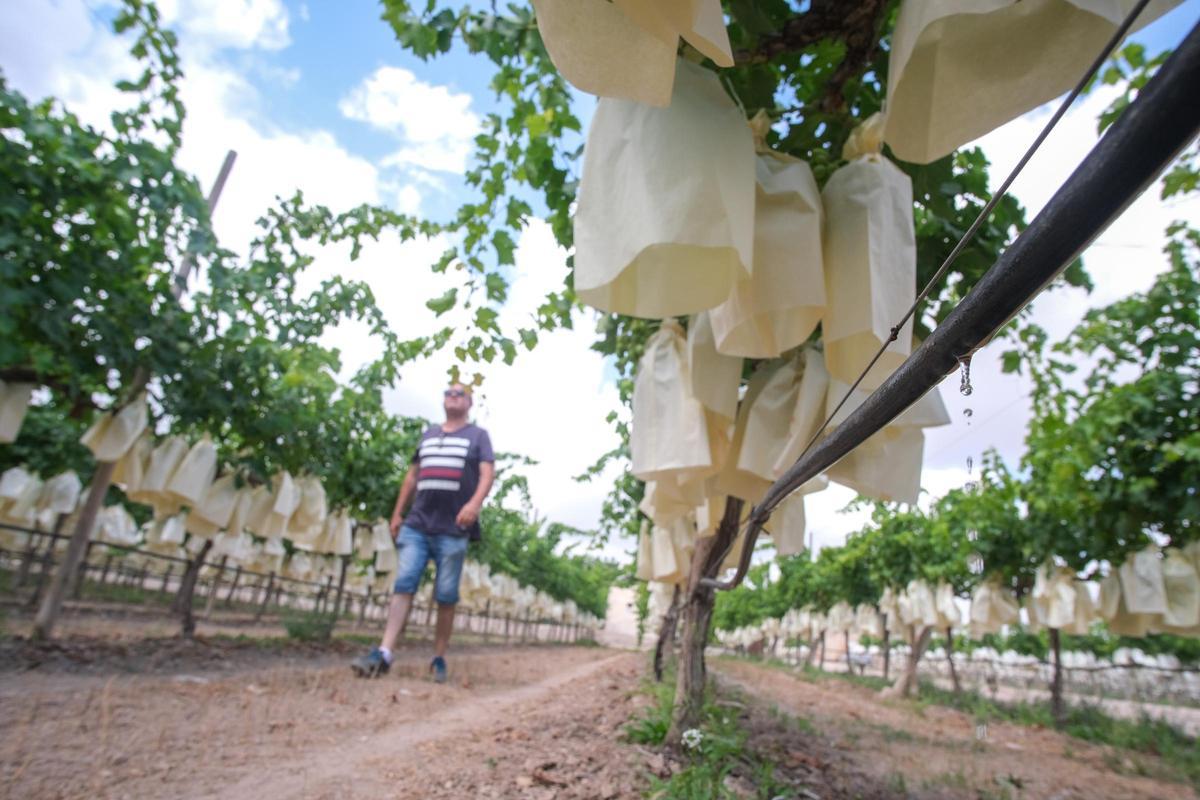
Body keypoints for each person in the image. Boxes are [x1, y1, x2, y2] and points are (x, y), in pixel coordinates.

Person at [352, 383, 495, 682]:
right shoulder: (429, 434)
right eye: (448, 392)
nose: (452, 397)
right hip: (417, 523)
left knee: (445, 594)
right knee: (404, 583)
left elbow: (487, 474)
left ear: (469, 403)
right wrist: (397, 513)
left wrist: (474, 504)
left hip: (454, 527)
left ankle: (439, 658)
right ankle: (384, 653)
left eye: (459, 394)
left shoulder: (478, 436)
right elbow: (412, 476)